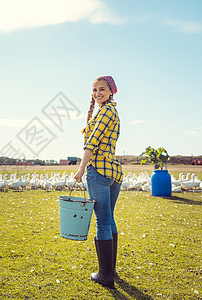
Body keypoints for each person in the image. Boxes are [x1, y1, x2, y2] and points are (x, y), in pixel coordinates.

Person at [74, 75, 123, 289]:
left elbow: (91, 144)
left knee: (102, 222)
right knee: (109, 219)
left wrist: (81, 169)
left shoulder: (105, 112)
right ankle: (110, 270)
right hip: (113, 173)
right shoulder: (112, 111)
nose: (97, 94)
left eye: (102, 89)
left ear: (111, 91)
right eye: (95, 90)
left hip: (99, 172)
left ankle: (105, 276)